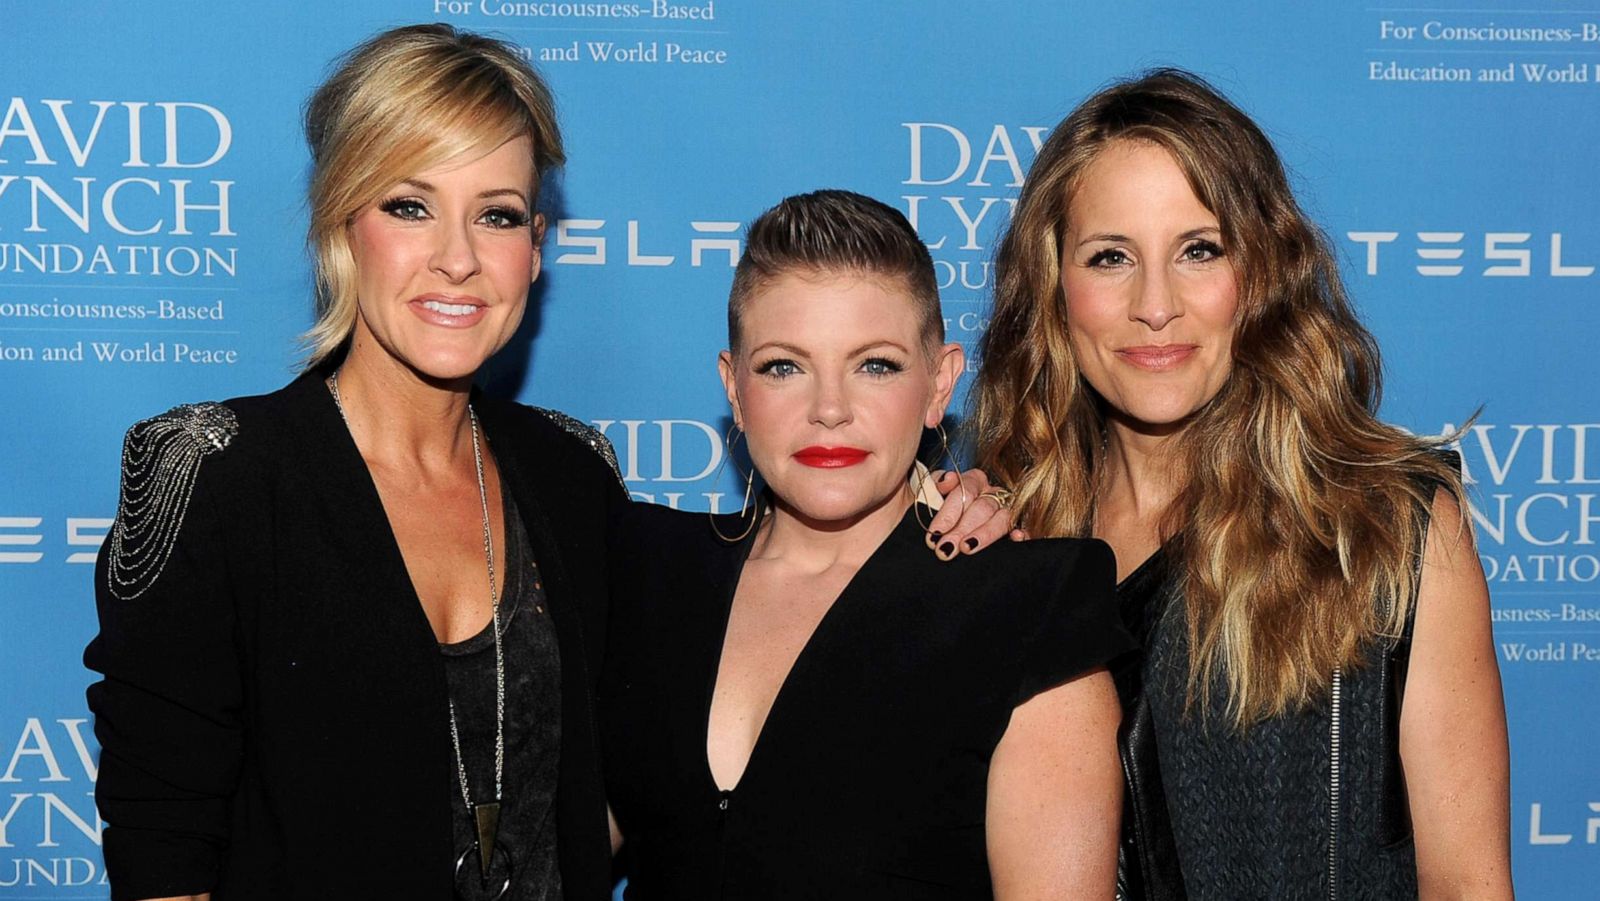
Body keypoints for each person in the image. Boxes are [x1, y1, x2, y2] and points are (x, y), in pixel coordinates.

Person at [85, 25, 624, 900]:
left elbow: (703, 668)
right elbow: (164, 846)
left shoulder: (576, 475)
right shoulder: (213, 473)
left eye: (498, 214)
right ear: (342, 223)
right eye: (410, 206)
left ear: (534, 250)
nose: (458, 258)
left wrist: (918, 507)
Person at [968, 70, 1512, 899]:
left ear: (1260, 273)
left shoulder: (1384, 529)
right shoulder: (1003, 544)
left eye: (1199, 250)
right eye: (1111, 257)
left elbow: (1467, 885)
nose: (1157, 305)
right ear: (1052, 289)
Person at [599, 190, 1135, 900]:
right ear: (734, 386)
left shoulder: (1030, 610)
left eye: (874, 364)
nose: (829, 408)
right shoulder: (645, 569)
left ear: (939, 382)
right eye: (783, 366)